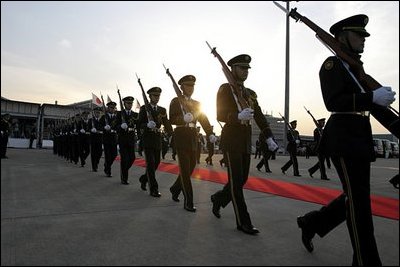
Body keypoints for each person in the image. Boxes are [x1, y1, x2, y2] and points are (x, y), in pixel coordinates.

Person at [296, 14, 395, 266]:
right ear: (342, 37)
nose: (364, 40)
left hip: (360, 139)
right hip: (343, 139)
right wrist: (370, 98)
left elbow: (378, 108)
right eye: (359, 35)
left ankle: (312, 222)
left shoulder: (356, 70)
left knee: (355, 197)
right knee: (359, 205)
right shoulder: (333, 65)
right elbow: (333, 102)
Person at [210, 54, 278, 235]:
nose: (245, 71)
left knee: (242, 180)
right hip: (231, 138)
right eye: (242, 68)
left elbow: (260, 116)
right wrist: (237, 116)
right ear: (232, 69)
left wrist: (269, 136)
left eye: (247, 68)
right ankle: (243, 221)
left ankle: (218, 199)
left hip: (245, 139)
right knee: (236, 183)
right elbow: (220, 115)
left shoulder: (250, 94)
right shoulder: (225, 89)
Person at [169, 74, 217, 212]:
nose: (190, 88)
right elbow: (172, 118)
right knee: (184, 170)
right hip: (181, 136)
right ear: (182, 87)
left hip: (192, 137)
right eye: (188, 85)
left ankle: (175, 188)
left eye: (192, 86)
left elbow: (203, 119)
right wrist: (182, 119)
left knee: (190, 168)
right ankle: (188, 201)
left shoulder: (197, 104)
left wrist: (210, 133)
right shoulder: (175, 101)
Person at [138, 87, 173, 197]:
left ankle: (144, 179)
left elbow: (166, 123)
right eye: (154, 96)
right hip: (147, 139)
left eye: (158, 96)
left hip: (157, 138)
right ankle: (154, 189)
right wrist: (146, 125)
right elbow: (139, 124)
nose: (157, 98)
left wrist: (171, 133)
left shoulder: (162, 110)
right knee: (150, 163)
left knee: (156, 163)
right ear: (150, 96)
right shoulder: (144, 108)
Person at [116, 96, 139, 185]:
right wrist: (120, 127)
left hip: (131, 139)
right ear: (124, 104)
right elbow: (115, 126)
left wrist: (139, 137)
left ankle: (124, 171)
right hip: (122, 139)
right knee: (124, 159)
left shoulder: (135, 115)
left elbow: (138, 126)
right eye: (128, 103)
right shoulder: (119, 114)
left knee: (132, 158)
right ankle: (124, 178)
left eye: (131, 103)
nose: (130, 105)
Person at [100, 101, 118, 178]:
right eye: (111, 107)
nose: (112, 109)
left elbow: (119, 126)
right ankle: (108, 170)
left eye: (113, 108)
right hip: (106, 138)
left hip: (114, 138)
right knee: (107, 155)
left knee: (114, 154)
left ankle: (107, 165)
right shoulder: (104, 117)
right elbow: (99, 126)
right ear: (108, 108)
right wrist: (104, 128)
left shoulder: (116, 117)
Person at [88, 107, 103, 172]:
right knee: (93, 153)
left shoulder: (102, 120)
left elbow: (104, 128)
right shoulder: (91, 120)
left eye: (99, 113)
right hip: (93, 139)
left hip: (100, 139)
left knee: (99, 153)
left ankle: (96, 162)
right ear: (94, 113)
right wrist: (91, 130)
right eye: (96, 112)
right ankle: (94, 166)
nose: (98, 114)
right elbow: (88, 129)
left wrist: (102, 130)